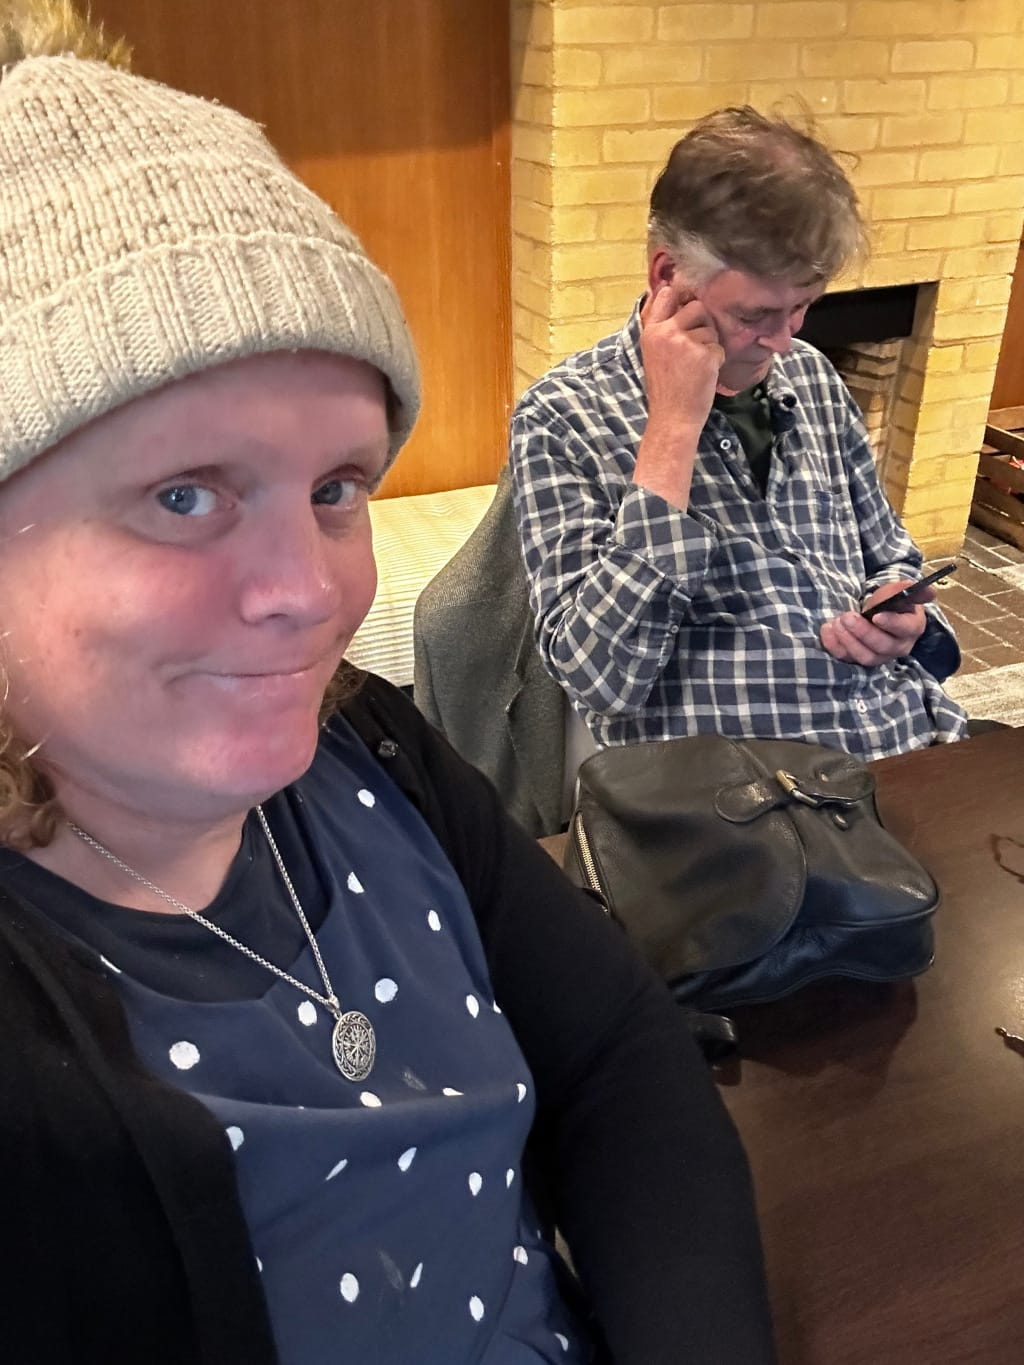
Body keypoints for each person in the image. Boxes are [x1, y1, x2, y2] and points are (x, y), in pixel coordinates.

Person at [0, 8, 776, 1363]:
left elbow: (617, 1054)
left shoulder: (369, 759)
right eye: (185, 495)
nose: (307, 590)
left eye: (335, 487)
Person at [510, 107, 970, 759]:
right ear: (668, 276)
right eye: (756, 314)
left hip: (906, 743)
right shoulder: (563, 414)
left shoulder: (808, 376)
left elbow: (890, 554)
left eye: (803, 306)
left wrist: (905, 620)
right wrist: (672, 427)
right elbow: (599, 680)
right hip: (743, 798)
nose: (786, 339)